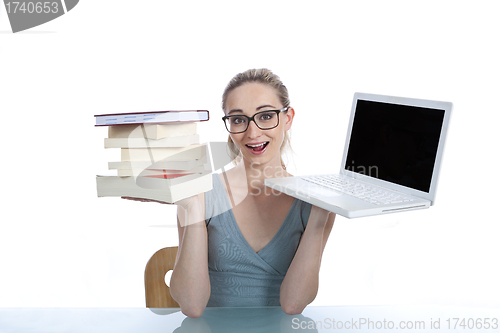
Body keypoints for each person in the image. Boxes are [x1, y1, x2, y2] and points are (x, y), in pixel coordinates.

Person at [169, 68, 335, 318]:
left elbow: (293, 305)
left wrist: (320, 215)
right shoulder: (202, 193)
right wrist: (191, 208)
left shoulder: (314, 201)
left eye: (266, 116)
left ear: (288, 118)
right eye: (238, 120)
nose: (253, 133)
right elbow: (192, 306)